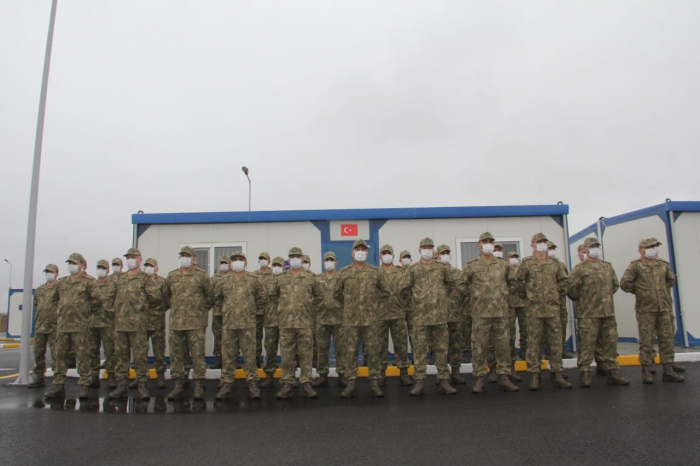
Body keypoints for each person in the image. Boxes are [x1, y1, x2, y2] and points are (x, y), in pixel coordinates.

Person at [460, 232, 519, 394]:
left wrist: (503, 295)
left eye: (490, 242)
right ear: (478, 245)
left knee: (503, 346)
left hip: (500, 313)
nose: (487, 244)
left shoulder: (502, 264)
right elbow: (462, 285)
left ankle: (504, 377)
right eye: (484, 242)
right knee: (479, 347)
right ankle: (480, 378)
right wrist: (475, 297)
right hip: (480, 313)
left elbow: (513, 283)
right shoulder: (472, 265)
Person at [399, 237, 458, 396]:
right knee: (419, 350)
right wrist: (414, 304)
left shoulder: (441, 268)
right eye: (424, 248)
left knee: (441, 349)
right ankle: (419, 381)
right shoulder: (413, 270)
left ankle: (443, 380)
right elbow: (402, 290)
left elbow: (451, 285)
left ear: (433, 251)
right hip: (420, 318)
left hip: (439, 317)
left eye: (429, 248)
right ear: (419, 250)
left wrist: (441, 300)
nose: (427, 251)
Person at [620, 238, 684, 383]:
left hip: (663, 308)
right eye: (649, 247)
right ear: (641, 250)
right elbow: (625, 283)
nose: (653, 249)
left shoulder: (662, 265)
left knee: (667, 338)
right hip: (646, 309)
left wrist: (662, 293)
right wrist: (642, 292)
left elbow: (671, 280)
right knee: (646, 340)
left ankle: (668, 369)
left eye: (655, 246)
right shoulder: (636, 266)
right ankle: (647, 370)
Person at [567, 237, 629, 387]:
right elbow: (571, 290)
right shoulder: (579, 269)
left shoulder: (607, 267)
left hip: (607, 313)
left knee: (610, 343)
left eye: (597, 246)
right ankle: (585, 372)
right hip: (588, 314)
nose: (595, 249)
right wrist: (587, 300)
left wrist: (603, 299)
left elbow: (614, 285)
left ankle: (613, 371)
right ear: (586, 249)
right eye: (592, 247)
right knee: (587, 344)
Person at [334, 240, 389, 397]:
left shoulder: (375, 272)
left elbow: (385, 292)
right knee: (350, 353)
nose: (360, 252)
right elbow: (337, 294)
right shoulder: (344, 272)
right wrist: (349, 307)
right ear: (352, 253)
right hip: (350, 321)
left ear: (367, 253)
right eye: (357, 249)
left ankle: (375, 383)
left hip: (371, 321)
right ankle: (351, 383)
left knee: (373, 352)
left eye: (363, 250)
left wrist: (374, 306)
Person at [516, 233, 572, 390]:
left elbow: (563, 281)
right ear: (532, 245)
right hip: (534, 311)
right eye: (539, 242)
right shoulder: (527, 263)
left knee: (555, 342)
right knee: (533, 343)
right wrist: (528, 298)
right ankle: (534, 374)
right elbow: (519, 283)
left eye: (544, 242)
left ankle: (557, 373)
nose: (542, 245)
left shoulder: (555, 263)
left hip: (552, 310)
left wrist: (555, 297)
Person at [44, 253, 101, 400]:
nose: (71, 266)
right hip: (63, 326)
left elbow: (98, 300)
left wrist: (85, 312)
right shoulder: (62, 282)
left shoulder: (89, 281)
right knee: (60, 355)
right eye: (69, 263)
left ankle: (84, 385)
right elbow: (55, 299)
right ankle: (58, 385)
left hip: (80, 325)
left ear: (82, 265)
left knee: (82, 356)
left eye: (74, 263)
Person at [269, 247, 323, 399]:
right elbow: (273, 296)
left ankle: (306, 382)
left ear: (302, 258)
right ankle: (288, 383)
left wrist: (308, 310)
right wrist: (284, 308)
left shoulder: (311, 277)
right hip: (286, 323)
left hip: (305, 323)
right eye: (292, 257)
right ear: (288, 259)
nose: (295, 259)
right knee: (287, 355)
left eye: (297, 256)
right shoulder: (281, 278)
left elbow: (318, 297)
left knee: (306, 354)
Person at [108, 248, 161, 400]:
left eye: (133, 257)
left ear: (139, 260)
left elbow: (155, 299)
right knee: (121, 357)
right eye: (128, 257)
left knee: (140, 357)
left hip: (138, 326)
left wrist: (142, 312)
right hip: (120, 325)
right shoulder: (119, 278)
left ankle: (142, 385)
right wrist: (117, 312)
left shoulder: (145, 278)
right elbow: (110, 298)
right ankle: (122, 385)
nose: (130, 260)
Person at [163, 246, 214, 400]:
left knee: (197, 355)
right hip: (177, 323)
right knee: (177, 355)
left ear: (193, 258)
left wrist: (199, 310)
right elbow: (166, 295)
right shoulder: (172, 276)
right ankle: (179, 383)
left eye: (188, 256)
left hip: (195, 323)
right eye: (182, 255)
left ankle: (198, 384)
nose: (185, 258)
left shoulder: (202, 276)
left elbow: (210, 296)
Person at [214, 252, 267, 400]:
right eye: (235, 260)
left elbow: (262, 298)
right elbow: (217, 299)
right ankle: (226, 384)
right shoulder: (223, 281)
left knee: (250, 356)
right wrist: (227, 311)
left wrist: (251, 312)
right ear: (230, 264)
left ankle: (252, 384)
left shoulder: (253, 280)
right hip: (229, 325)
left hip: (247, 325)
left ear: (246, 263)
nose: (237, 262)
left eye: (240, 260)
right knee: (228, 356)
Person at [377, 245, 412, 387]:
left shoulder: (401, 272)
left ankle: (403, 373)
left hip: (398, 313)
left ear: (393, 255)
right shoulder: (375, 273)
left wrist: (404, 306)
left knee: (401, 345)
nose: (386, 256)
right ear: (380, 256)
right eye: (384, 253)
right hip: (381, 314)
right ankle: (381, 373)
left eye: (389, 253)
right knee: (380, 345)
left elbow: (408, 292)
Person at [313, 252, 347, 387]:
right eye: (326, 260)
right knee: (322, 348)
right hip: (322, 319)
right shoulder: (317, 279)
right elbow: (313, 297)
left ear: (336, 263)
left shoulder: (342, 278)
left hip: (340, 318)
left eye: (331, 260)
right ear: (323, 263)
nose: (329, 262)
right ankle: (322, 375)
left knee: (341, 348)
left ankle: (342, 375)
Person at [436, 244, 467, 385]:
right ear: (437, 256)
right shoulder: (434, 272)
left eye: (447, 252)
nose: (445, 255)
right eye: (442, 253)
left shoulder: (457, 272)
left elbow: (465, 291)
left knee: (456, 345)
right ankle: (442, 375)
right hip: (439, 316)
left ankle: (456, 372)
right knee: (441, 346)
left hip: (455, 314)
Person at [28, 264, 60, 388]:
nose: (48, 274)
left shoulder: (60, 288)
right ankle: (39, 376)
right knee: (38, 352)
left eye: (51, 272)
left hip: (54, 326)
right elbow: (36, 305)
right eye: (46, 272)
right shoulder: (40, 289)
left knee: (56, 353)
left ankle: (58, 379)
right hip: (40, 326)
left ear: (56, 273)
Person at [89, 260, 117, 390]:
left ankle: (110, 375)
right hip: (92, 323)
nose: (100, 270)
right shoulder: (91, 284)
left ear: (107, 270)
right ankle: (94, 376)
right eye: (98, 267)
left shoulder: (113, 285)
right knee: (92, 350)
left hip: (108, 323)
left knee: (110, 351)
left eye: (103, 268)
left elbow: (118, 302)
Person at [547, 241, 575, 359]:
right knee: (548, 328)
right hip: (547, 303)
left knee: (562, 325)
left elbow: (567, 281)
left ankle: (562, 349)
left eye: (553, 248)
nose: (552, 250)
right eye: (550, 248)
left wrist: (562, 292)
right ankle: (549, 351)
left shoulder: (560, 265)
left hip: (560, 302)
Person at [143, 258, 168, 389]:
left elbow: (167, 300)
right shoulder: (139, 281)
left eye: (151, 266)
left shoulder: (162, 282)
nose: (148, 268)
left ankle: (160, 376)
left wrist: (158, 309)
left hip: (157, 321)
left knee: (159, 350)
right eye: (146, 265)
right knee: (141, 351)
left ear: (156, 268)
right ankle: (141, 375)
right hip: (141, 322)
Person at [260, 256, 285, 388]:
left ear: (284, 267)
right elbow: (260, 299)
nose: (276, 268)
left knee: (288, 351)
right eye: (274, 265)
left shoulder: (288, 281)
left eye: (279, 266)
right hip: (270, 320)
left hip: (286, 320)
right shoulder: (266, 281)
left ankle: (289, 377)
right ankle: (269, 375)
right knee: (270, 349)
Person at [209, 256, 231, 369]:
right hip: (218, 312)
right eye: (221, 263)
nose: (223, 265)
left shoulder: (233, 277)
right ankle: (219, 359)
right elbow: (209, 294)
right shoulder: (214, 278)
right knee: (218, 336)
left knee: (232, 338)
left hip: (231, 313)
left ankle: (233, 360)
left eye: (225, 263)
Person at [253, 252, 273, 367]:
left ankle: (269, 362)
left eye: (265, 259)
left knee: (270, 339)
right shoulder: (254, 275)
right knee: (256, 337)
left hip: (270, 312)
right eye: (261, 259)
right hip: (257, 312)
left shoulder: (274, 274)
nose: (263, 261)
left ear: (269, 261)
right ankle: (256, 360)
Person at [507, 252, 527, 362]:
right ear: (508, 259)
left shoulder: (522, 270)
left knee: (525, 329)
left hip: (523, 304)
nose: (514, 259)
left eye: (516, 257)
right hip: (510, 304)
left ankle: (524, 352)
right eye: (511, 257)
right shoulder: (506, 270)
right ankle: (511, 354)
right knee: (510, 331)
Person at [398, 250, 415, 359]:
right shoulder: (396, 272)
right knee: (400, 335)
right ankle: (401, 359)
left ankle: (415, 357)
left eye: (408, 257)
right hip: (400, 308)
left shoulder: (415, 271)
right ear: (400, 260)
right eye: (404, 257)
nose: (406, 259)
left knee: (415, 335)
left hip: (414, 308)